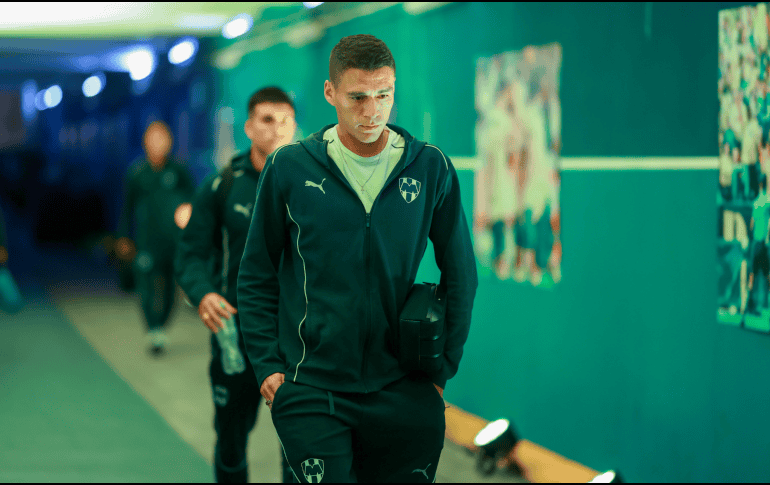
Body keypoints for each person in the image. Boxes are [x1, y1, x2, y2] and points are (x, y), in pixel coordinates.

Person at [237, 34, 478, 483]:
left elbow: (461, 274)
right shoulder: (290, 168)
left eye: (383, 95)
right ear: (331, 94)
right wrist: (268, 365)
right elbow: (256, 273)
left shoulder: (429, 168)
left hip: (402, 387)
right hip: (313, 387)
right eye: (358, 97)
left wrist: (444, 366)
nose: (371, 111)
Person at [175, 87, 297, 483]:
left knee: (301, 446)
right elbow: (190, 254)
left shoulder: (315, 186)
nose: (276, 129)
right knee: (230, 441)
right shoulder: (222, 186)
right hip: (237, 335)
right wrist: (204, 293)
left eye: (284, 120)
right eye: (266, 120)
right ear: (248, 126)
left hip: (298, 339)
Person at [115, 121, 195, 356]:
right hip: (146, 242)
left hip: (173, 242)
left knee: (170, 289)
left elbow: (193, 204)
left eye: (163, 139)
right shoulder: (137, 173)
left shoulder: (179, 172)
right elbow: (126, 208)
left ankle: (162, 324)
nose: (158, 144)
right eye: (153, 139)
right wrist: (123, 237)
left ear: (170, 142)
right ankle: (153, 329)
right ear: (145, 143)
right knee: (147, 287)